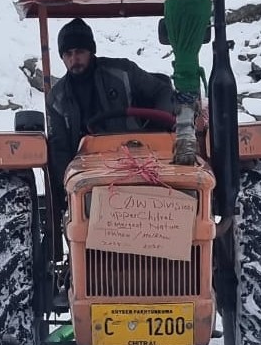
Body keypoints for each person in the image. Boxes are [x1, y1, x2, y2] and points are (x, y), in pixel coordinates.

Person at [46, 18, 175, 211]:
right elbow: (60, 148)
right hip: (89, 169)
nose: (74, 60)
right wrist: (66, 187)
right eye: (68, 54)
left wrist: (157, 130)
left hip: (138, 158)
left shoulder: (123, 72)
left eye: (80, 52)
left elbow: (163, 91)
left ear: (91, 51)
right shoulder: (57, 98)